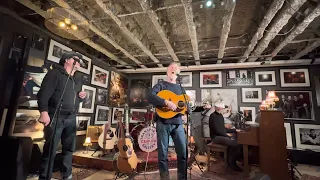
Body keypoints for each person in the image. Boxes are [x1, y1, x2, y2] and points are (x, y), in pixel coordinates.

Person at [37, 51, 87, 180]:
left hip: (71, 118)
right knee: (50, 151)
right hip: (56, 116)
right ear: (67, 60)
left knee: (69, 150)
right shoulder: (55, 73)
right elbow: (43, 94)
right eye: (77, 59)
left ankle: (67, 176)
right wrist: (44, 112)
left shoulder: (78, 78)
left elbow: (77, 98)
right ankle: (44, 177)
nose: (79, 62)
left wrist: (82, 97)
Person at [148, 62, 188, 179]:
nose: (173, 68)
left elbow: (185, 106)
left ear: (177, 72)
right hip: (162, 123)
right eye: (171, 67)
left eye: (175, 67)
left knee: (183, 154)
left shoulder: (181, 88)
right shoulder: (161, 85)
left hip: (178, 124)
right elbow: (150, 95)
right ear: (167, 71)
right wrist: (166, 102)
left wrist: (186, 110)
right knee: (163, 155)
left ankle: (182, 178)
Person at [209, 101, 243, 172]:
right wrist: (227, 136)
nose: (223, 109)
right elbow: (217, 130)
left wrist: (235, 130)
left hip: (220, 135)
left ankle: (231, 160)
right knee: (235, 143)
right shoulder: (213, 116)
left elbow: (223, 129)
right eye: (222, 108)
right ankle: (231, 163)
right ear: (218, 108)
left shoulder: (220, 116)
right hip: (216, 137)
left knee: (236, 142)